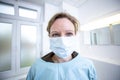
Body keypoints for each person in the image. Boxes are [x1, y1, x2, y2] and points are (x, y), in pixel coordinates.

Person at [26, 12, 97, 80]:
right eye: (55, 34)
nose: (63, 41)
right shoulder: (37, 66)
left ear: (75, 36)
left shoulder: (87, 65)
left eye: (69, 34)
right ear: (49, 37)